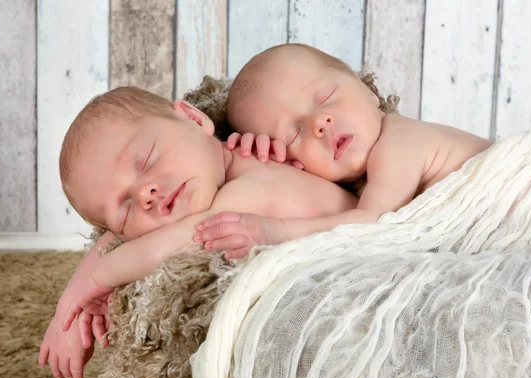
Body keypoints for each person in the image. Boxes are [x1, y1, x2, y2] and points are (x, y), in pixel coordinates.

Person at [38, 85, 358, 378]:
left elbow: (165, 245)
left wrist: (100, 278)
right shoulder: (220, 171)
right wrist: (68, 306)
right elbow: (119, 239)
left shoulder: (248, 189)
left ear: (194, 118)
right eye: (126, 209)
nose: (146, 194)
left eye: (146, 160)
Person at [194, 43, 493, 256]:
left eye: (325, 97)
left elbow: (373, 225)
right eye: (293, 135)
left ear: (367, 90)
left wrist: (272, 232)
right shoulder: (356, 187)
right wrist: (263, 162)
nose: (318, 124)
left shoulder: (399, 141)